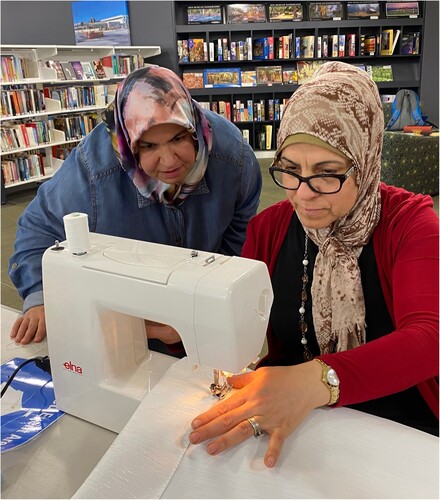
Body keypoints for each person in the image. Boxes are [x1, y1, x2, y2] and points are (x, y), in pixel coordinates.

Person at [188, 61, 439, 467]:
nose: (303, 194)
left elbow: (431, 339)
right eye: (289, 170)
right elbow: (241, 320)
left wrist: (317, 379)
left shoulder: (411, 224)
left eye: (327, 174)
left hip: (402, 434)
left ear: (367, 160)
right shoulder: (267, 230)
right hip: (303, 425)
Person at [8, 65, 262, 347]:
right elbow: (38, 228)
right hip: (125, 316)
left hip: (201, 308)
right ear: (128, 146)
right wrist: (39, 296)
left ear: (193, 127)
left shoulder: (234, 157)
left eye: (178, 138)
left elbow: (241, 234)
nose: (169, 161)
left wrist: (208, 299)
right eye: (149, 146)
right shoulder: (92, 170)